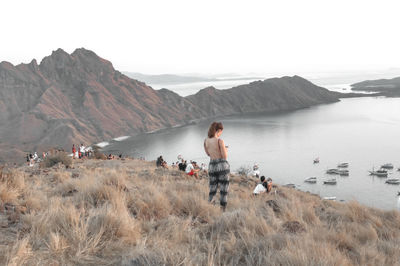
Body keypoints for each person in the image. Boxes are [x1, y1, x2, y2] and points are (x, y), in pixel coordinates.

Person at [204, 122, 230, 211]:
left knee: (212, 189)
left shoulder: (205, 141)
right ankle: (222, 210)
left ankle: (210, 210)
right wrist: (225, 149)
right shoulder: (220, 141)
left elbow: (208, 153)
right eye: (221, 132)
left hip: (212, 166)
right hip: (222, 166)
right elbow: (224, 156)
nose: (221, 134)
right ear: (218, 130)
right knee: (223, 190)